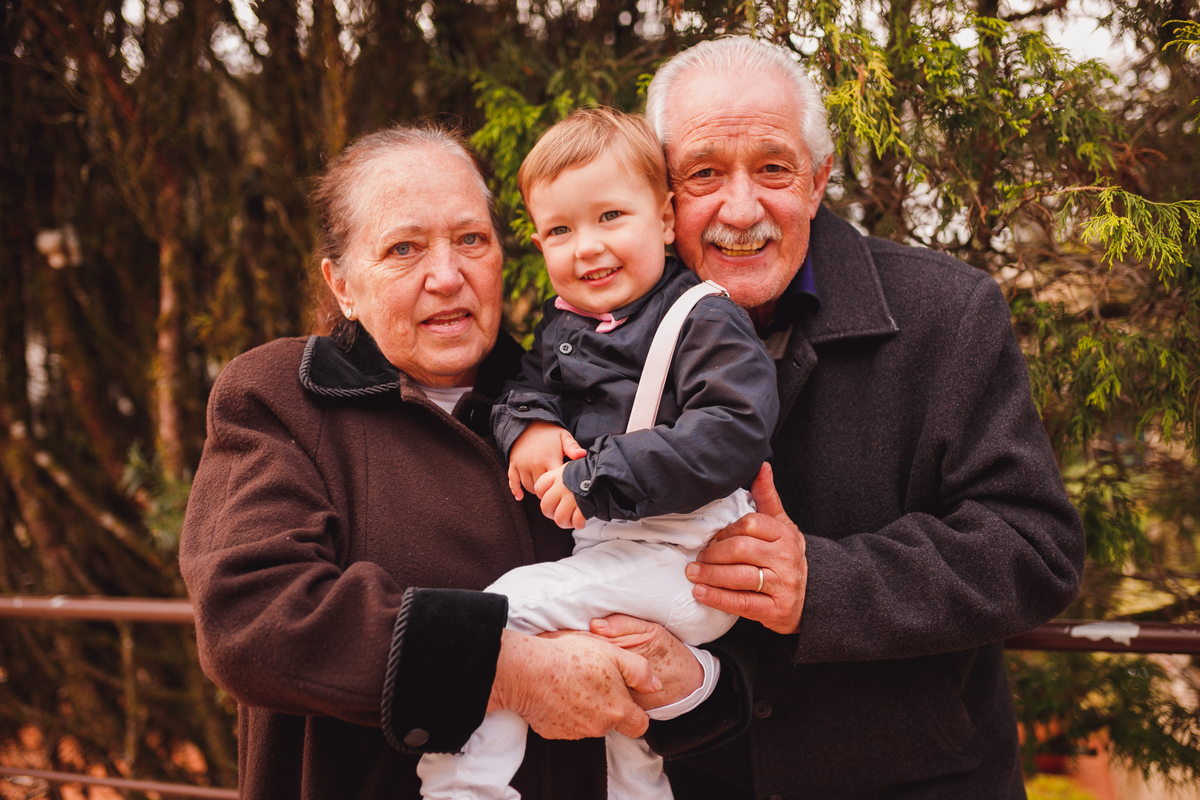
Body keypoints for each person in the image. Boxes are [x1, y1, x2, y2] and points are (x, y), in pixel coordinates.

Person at [178, 124, 719, 800]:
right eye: (404, 249)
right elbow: (253, 617)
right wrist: (507, 669)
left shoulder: (581, 388)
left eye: (471, 240)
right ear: (342, 284)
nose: (446, 275)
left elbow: (667, 592)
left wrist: (693, 685)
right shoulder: (283, 396)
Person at [628, 36, 1087, 799]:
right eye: (704, 173)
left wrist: (826, 586)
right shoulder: (613, 333)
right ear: (665, 196)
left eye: (773, 168)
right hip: (691, 777)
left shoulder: (946, 313)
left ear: (816, 181)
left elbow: (1034, 548)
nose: (740, 209)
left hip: (919, 781)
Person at [416, 108, 777, 800]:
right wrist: (527, 429)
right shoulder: (566, 327)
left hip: (689, 558)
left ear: (667, 220)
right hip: (623, 556)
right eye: (560, 230)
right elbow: (518, 389)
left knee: (504, 609)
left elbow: (733, 429)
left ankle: (466, 786)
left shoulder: (703, 316)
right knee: (625, 732)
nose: (587, 248)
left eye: (611, 216)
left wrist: (595, 476)